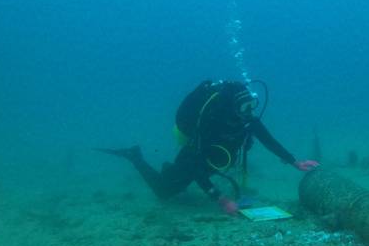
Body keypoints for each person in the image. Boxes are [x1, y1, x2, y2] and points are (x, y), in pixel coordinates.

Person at [99, 79, 319, 214]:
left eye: (252, 106)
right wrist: (221, 200)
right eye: (244, 107)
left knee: (187, 180)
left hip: (214, 161)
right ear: (233, 107)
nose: (249, 112)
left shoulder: (247, 119)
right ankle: (135, 156)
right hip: (196, 158)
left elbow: (268, 139)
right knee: (164, 191)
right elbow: (195, 166)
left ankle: (170, 170)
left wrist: (294, 162)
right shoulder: (212, 123)